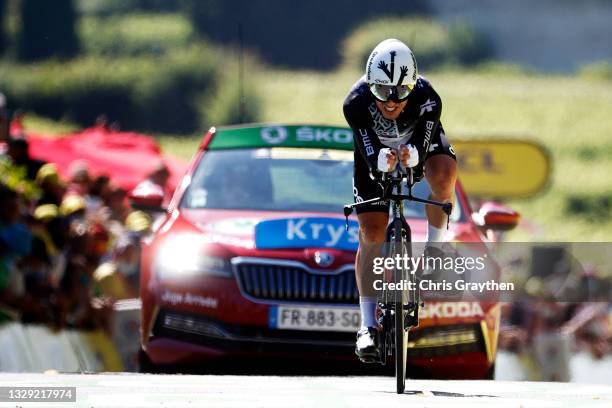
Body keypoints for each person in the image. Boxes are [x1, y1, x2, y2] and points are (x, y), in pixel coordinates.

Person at [343, 39, 457, 361]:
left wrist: (415, 156)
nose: (391, 103)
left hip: (419, 144)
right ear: (370, 85)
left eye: (400, 94)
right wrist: (380, 160)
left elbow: (426, 138)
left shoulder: (428, 98)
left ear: (412, 86)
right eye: (382, 93)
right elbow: (366, 150)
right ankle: (367, 326)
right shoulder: (355, 102)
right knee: (372, 234)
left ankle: (436, 244)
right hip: (375, 154)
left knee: (444, 174)